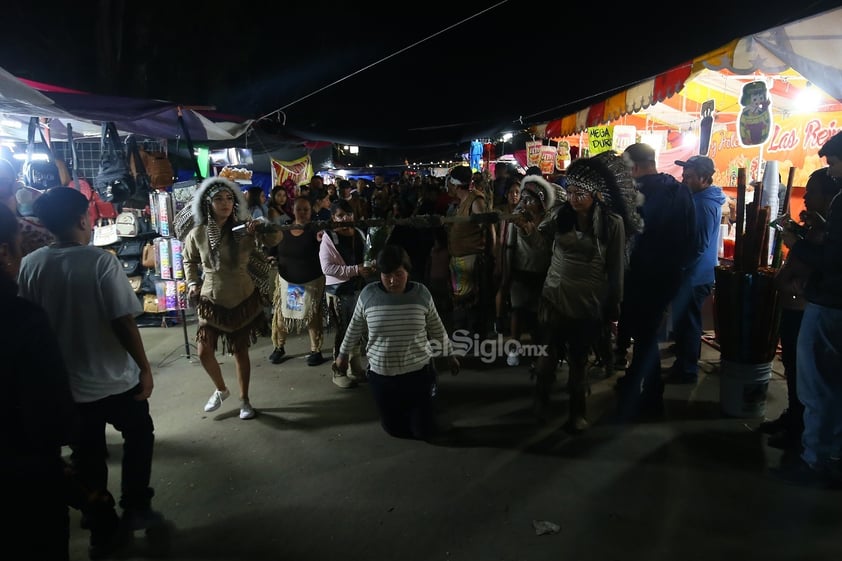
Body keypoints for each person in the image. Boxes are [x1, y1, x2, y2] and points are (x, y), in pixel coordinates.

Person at [17, 187, 165, 557]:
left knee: (88, 454)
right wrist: (145, 369)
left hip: (69, 386)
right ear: (84, 218)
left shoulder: (32, 264)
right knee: (139, 437)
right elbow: (124, 321)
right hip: (115, 378)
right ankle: (136, 504)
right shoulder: (100, 262)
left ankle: (101, 521)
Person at [1, 203, 78, 561]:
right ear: (4, 251)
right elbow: (52, 417)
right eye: (18, 240)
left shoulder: (30, 275)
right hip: (25, 479)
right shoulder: (21, 319)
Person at [531, 155, 627, 432]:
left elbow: (616, 266)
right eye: (570, 192)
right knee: (547, 355)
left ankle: (577, 412)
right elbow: (540, 245)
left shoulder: (612, 223)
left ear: (595, 194)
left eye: (579, 193)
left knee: (578, 360)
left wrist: (614, 303)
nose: (572, 198)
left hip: (588, 301)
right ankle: (540, 400)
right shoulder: (559, 215)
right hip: (554, 296)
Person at [335, 244, 460, 440]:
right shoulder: (368, 295)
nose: (392, 281)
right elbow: (354, 328)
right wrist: (342, 356)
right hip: (382, 376)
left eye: (398, 274)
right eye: (386, 275)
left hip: (418, 374)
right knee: (396, 430)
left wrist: (450, 355)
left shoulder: (421, 294)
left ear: (408, 271)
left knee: (424, 431)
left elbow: (436, 326)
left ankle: (426, 411)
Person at [773, 131, 842, 487]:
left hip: (828, 304)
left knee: (816, 387)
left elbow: (830, 260)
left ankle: (815, 459)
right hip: (829, 303)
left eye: (833, 163)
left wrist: (794, 243)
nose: (831, 171)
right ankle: (827, 454)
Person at [182, 177, 282, 420]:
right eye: (218, 199)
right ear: (208, 203)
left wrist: (263, 227)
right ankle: (221, 389)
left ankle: (245, 399)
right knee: (204, 350)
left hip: (241, 296)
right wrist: (193, 282)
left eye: (229, 198)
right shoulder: (198, 233)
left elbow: (274, 239)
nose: (225, 203)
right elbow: (189, 260)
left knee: (240, 351)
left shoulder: (245, 227)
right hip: (211, 297)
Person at [614, 143, 697, 420]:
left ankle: (651, 396)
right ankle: (634, 380)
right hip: (669, 277)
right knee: (647, 333)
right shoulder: (681, 190)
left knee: (646, 335)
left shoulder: (633, 194)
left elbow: (624, 239)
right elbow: (692, 240)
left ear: (633, 167)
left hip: (640, 276)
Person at [760, 168, 839, 450]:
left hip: (804, 309)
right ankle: (794, 418)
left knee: (806, 378)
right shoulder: (818, 228)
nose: (805, 197)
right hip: (797, 307)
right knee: (794, 370)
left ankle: (803, 433)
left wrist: (796, 244)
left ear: (830, 197)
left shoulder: (826, 237)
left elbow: (804, 269)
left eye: (812, 192)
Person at [665, 156, 725, 384]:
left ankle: (686, 370)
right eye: (684, 176)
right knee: (687, 322)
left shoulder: (703, 204)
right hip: (696, 272)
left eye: (689, 177)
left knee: (688, 323)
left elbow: (698, 244)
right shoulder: (701, 199)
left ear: (704, 178)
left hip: (694, 275)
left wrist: (679, 267)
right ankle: (687, 361)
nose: (684, 180)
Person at [319, 199, 375, 388]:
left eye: (349, 214)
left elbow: (366, 257)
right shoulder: (329, 237)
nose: (346, 219)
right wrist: (355, 270)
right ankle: (338, 370)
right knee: (343, 332)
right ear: (333, 218)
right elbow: (327, 268)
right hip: (340, 292)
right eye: (341, 215)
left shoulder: (359, 233)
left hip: (359, 290)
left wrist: (369, 267)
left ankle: (355, 367)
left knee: (357, 331)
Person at [267, 195, 327, 366]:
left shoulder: (316, 230)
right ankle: (279, 347)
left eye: (305, 209)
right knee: (281, 317)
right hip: (287, 281)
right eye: (298, 209)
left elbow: (326, 250)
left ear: (311, 211)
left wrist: (322, 241)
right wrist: (271, 258)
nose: (302, 212)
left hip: (310, 281)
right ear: (292, 210)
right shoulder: (283, 230)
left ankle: (316, 350)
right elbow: (272, 250)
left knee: (311, 317)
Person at [447, 165, 496, 338]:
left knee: (472, 304)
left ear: (454, 185)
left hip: (472, 259)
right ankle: (466, 336)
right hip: (461, 261)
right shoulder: (464, 201)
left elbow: (488, 229)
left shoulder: (476, 201)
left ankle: (474, 338)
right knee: (463, 303)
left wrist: (491, 256)